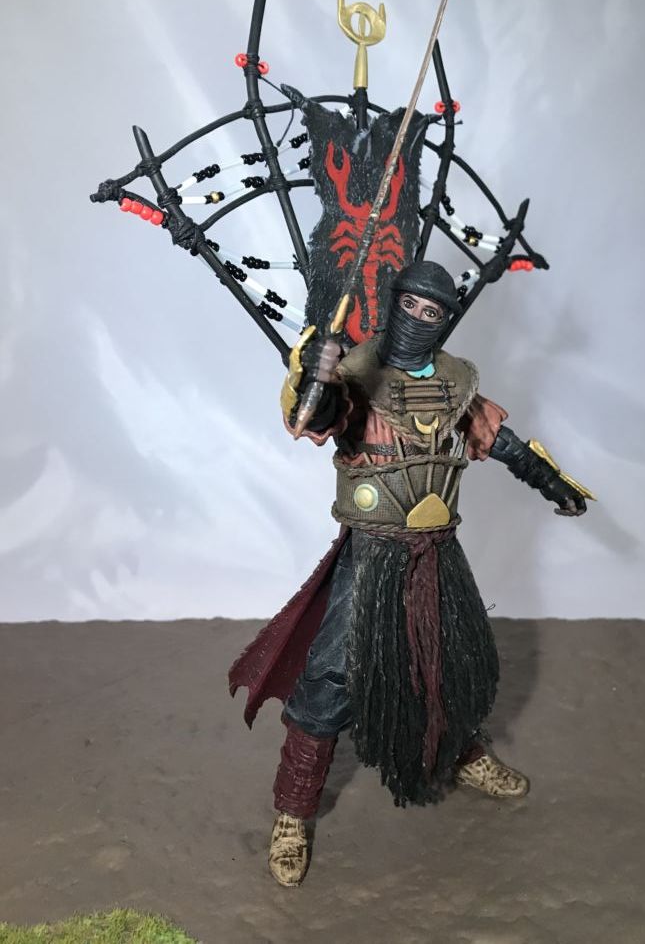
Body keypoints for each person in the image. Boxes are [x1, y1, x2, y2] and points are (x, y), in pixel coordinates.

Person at [229, 260, 593, 887]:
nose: (421, 319)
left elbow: (501, 442)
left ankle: (461, 755)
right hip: (371, 552)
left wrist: (551, 481)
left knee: (448, 662)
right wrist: (316, 372)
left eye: (434, 312)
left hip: (438, 552)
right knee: (333, 674)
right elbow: (318, 416)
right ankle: (293, 811)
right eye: (413, 306)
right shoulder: (355, 379)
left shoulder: (454, 383)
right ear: (394, 303)